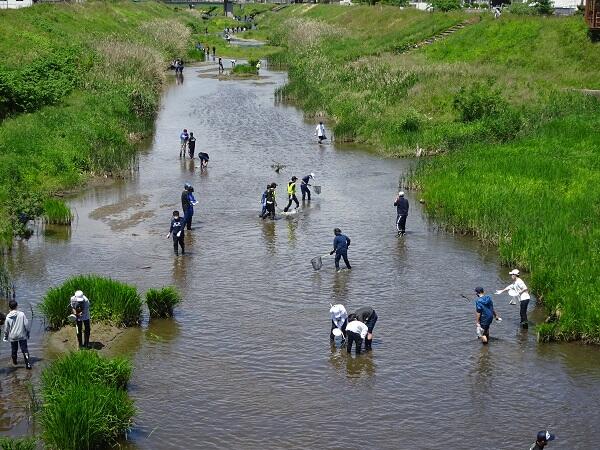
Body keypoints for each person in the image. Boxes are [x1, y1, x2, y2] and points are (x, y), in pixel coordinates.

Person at [3, 300, 32, 369]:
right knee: (25, 350)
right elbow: (26, 325)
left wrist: (5, 337)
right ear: (17, 306)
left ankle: (15, 363)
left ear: (9, 307)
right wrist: (27, 333)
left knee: (14, 350)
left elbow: (6, 329)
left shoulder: (7, 317)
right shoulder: (22, 314)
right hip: (22, 335)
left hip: (13, 337)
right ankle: (28, 364)